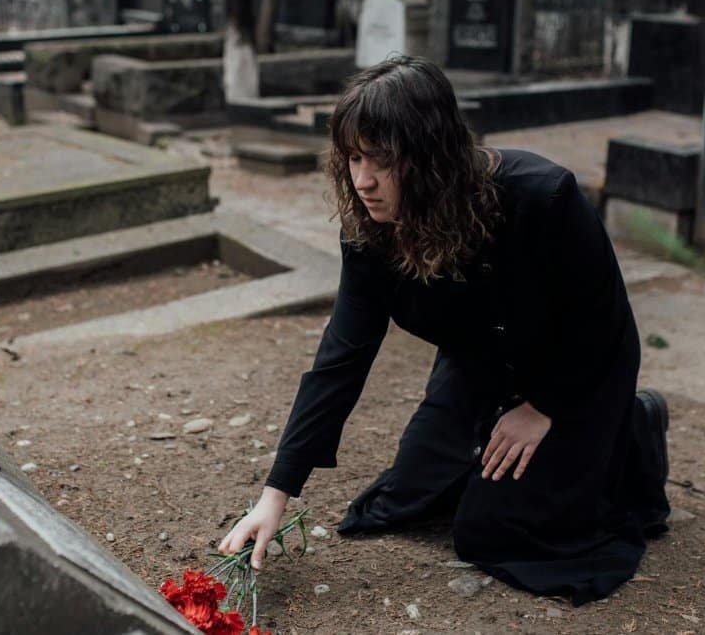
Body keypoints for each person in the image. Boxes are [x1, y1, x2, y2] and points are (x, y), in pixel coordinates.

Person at [218, 55, 670, 606]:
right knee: (406, 498)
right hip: (478, 367)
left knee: (494, 531)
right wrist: (275, 495)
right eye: (353, 157)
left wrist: (544, 406)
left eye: (381, 160)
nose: (362, 180)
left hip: (574, 372)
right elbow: (343, 354)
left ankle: (635, 425)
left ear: (431, 157)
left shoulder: (543, 197)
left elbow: (605, 322)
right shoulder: (370, 231)